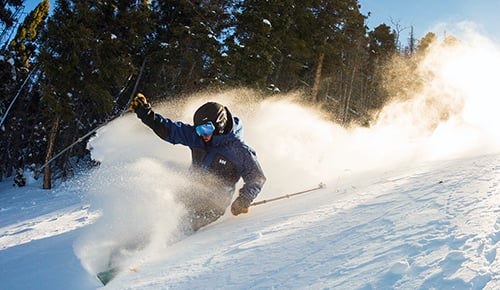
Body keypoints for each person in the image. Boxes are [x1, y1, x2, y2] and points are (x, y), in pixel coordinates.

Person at [130, 93, 266, 231]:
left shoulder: (238, 150)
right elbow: (170, 130)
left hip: (213, 205)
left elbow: (257, 178)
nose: (202, 134)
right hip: (191, 191)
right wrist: (146, 114)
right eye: (199, 129)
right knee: (163, 211)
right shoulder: (198, 138)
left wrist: (244, 200)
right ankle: (139, 237)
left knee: (181, 226)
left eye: (206, 129)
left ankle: (168, 243)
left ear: (220, 124)